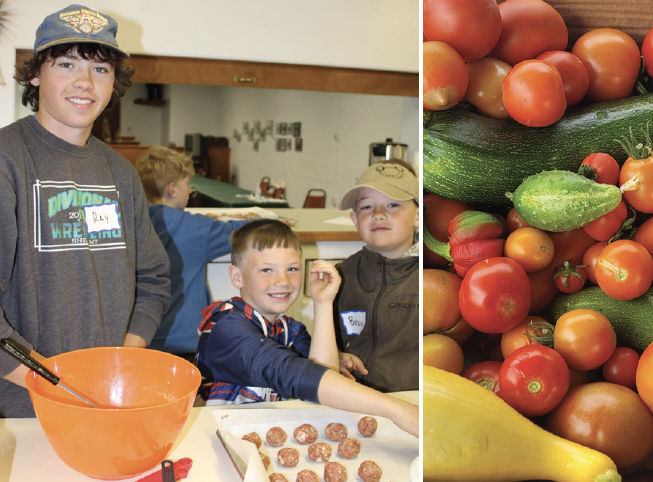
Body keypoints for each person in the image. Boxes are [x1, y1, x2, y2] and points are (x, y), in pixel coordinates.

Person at [0, 5, 171, 417]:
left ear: (114, 83)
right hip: (25, 410)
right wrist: (55, 385)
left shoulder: (121, 173)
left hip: (110, 401)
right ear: (36, 73)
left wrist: (123, 362)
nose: (84, 82)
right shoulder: (7, 160)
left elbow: (153, 280)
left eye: (100, 69)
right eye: (66, 63)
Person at [196, 220, 418, 436]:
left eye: (292, 268)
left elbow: (324, 379)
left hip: (264, 434)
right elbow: (293, 374)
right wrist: (394, 409)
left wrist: (323, 304)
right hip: (214, 439)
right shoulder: (225, 327)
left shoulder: (291, 330)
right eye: (266, 270)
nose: (283, 280)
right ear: (237, 277)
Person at [136, 146, 257, 359]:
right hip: (186, 344)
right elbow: (243, 232)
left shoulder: (134, 223)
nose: (190, 191)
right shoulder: (194, 228)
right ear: (172, 189)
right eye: (188, 185)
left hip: (142, 339)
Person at [331, 161, 421, 392]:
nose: (379, 214)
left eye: (392, 204)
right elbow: (330, 345)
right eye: (367, 207)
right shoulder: (341, 275)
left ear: (418, 217)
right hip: (356, 401)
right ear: (354, 220)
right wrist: (337, 357)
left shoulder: (431, 276)